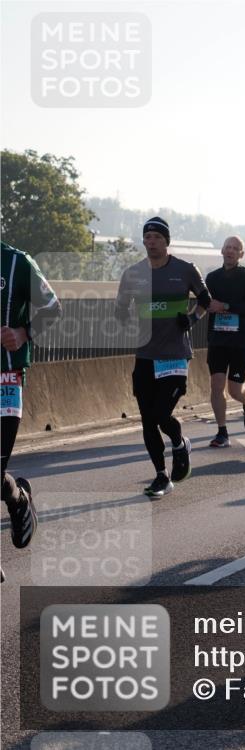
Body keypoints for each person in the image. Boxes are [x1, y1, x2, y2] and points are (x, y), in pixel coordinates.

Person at [115, 217, 210, 497]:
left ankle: (180, 442)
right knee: (147, 419)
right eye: (147, 237)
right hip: (145, 355)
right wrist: (126, 321)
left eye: (157, 237)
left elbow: (205, 300)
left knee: (160, 414)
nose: (151, 241)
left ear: (166, 240)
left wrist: (192, 319)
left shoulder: (185, 270)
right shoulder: (133, 274)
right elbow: (120, 309)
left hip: (174, 356)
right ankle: (161, 475)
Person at [1, 241, 62, 582]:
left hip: (5, 378)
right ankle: (18, 499)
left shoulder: (16, 263)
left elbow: (53, 308)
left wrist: (24, 332)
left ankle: (18, 499)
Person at [205, 236, 245, 447]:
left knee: (236, 390)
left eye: (235, 248)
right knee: (216, 385)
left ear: (241, 254)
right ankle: (222, 432)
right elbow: (204, 304)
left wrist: (224, 306)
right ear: (222, 250)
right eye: (227, 247)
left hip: (241, 342)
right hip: (218, 340)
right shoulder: (211, 278)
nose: (230, 251)